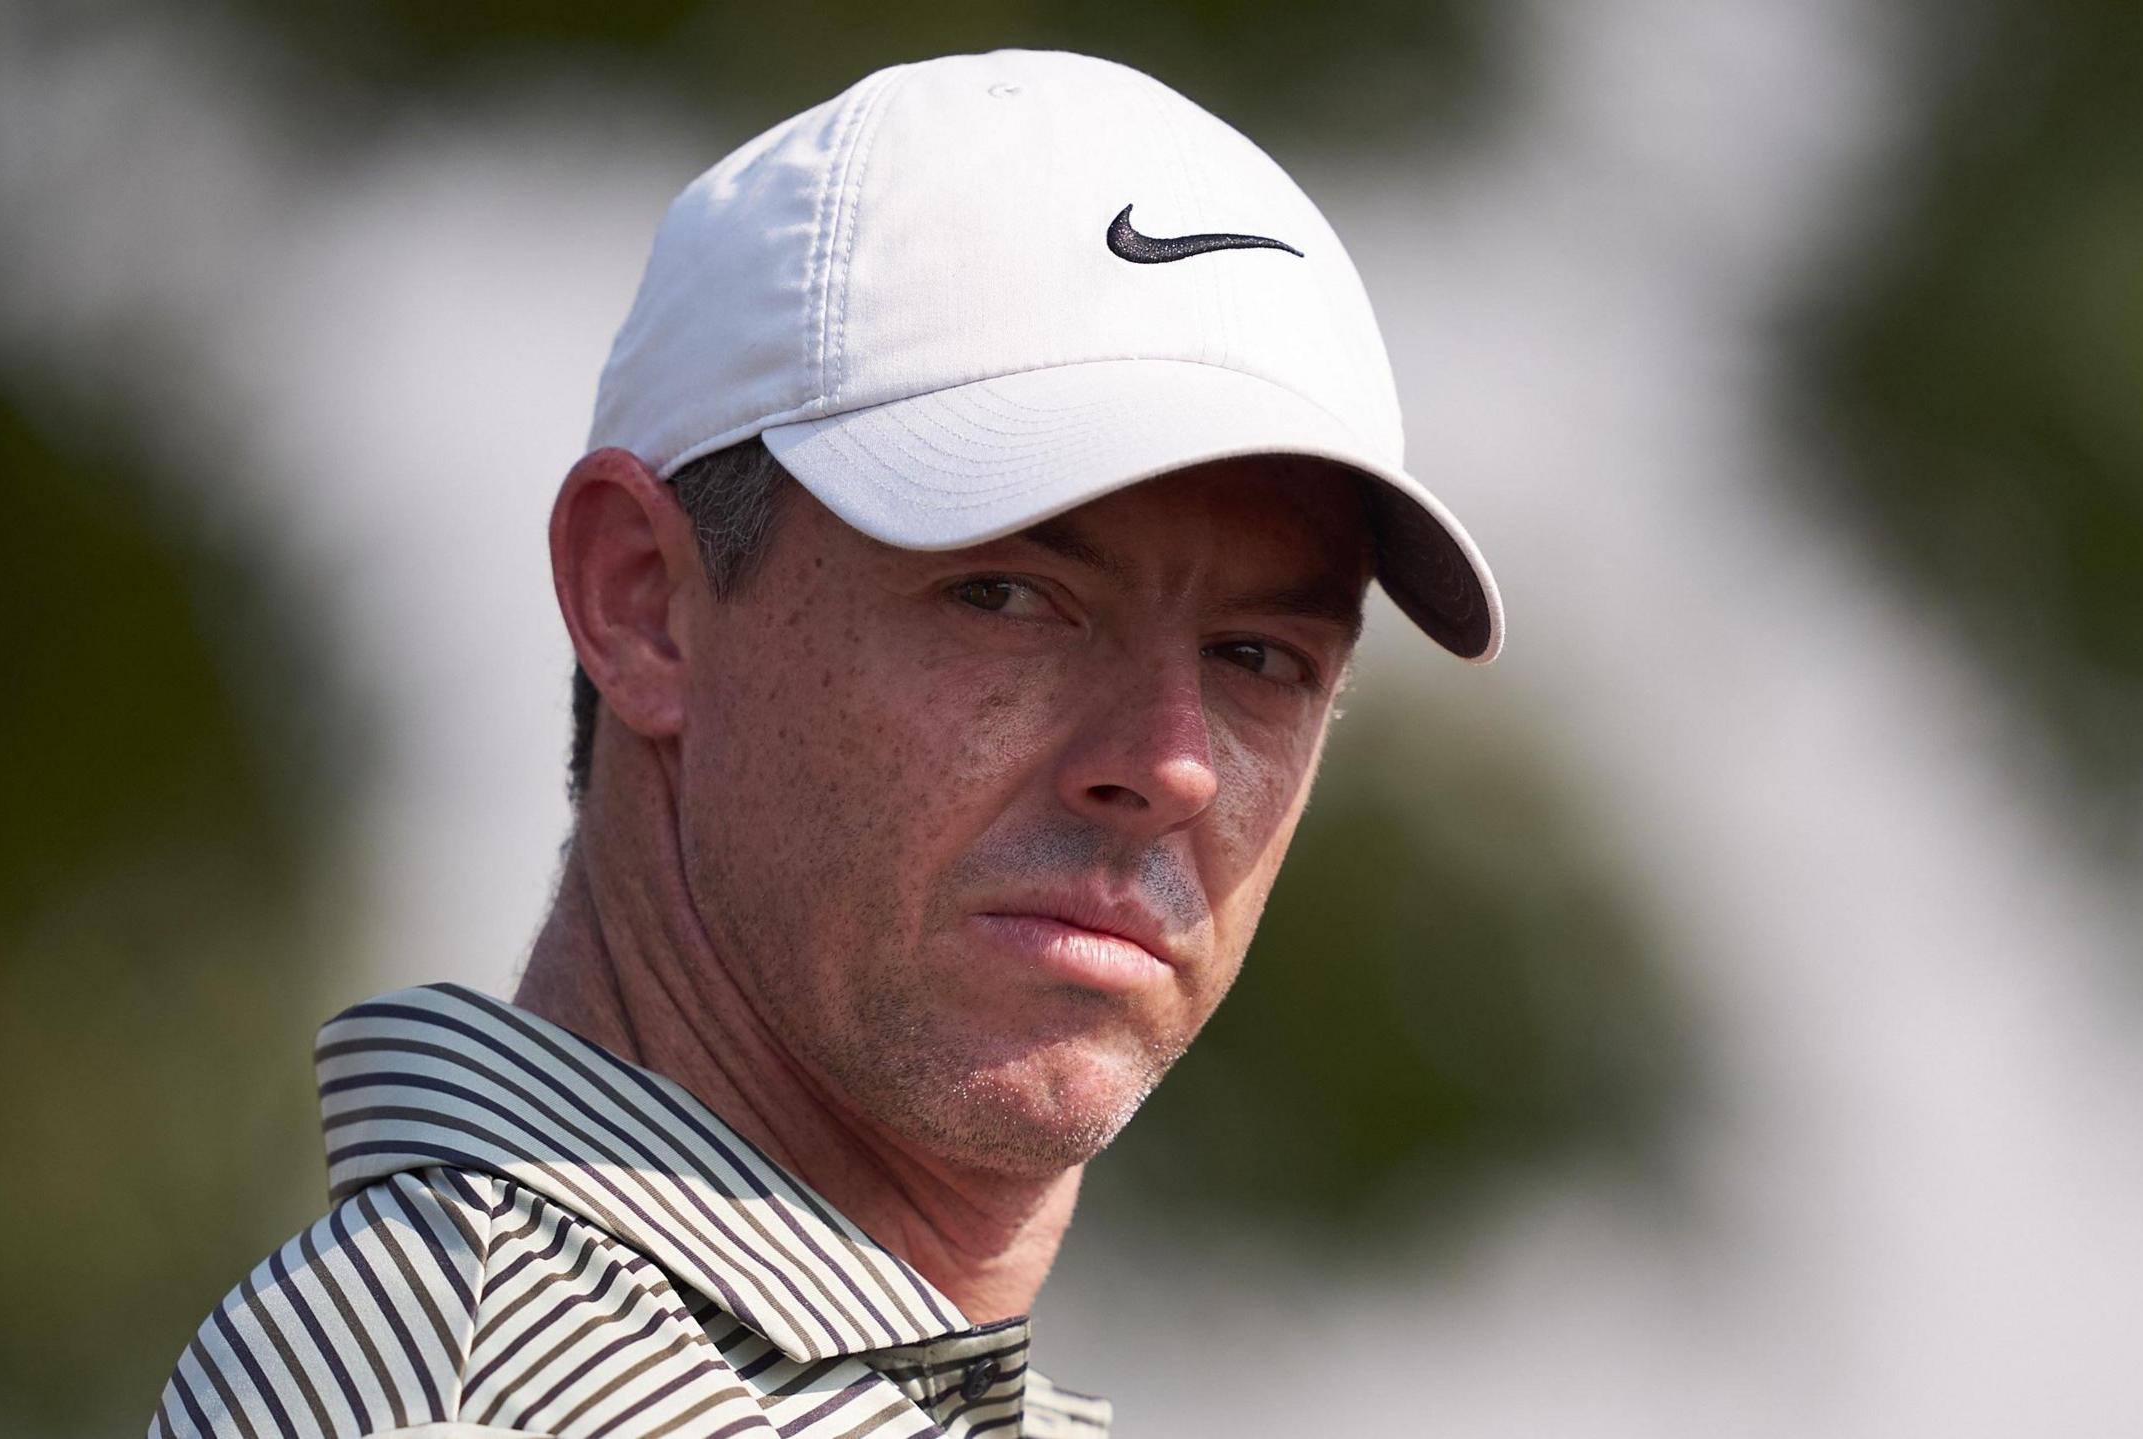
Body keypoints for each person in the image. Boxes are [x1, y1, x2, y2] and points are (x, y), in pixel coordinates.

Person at [149, 47, 1500, 1439]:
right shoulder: (482, 1401)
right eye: (1007, 594)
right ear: (645, 601)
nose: (1171, 763)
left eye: (1258, 657)